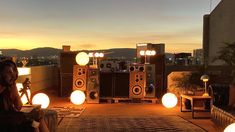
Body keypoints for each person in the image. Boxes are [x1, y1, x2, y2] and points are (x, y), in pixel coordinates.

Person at [0, 59, 49, 132]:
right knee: (32, 121)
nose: (13, 75)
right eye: (9, 72)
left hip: (11, 119)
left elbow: (18, 106)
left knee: (38, 117)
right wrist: (29, 115)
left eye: (14, 71)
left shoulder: (8, 88)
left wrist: (14, 90)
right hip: (6, 123)